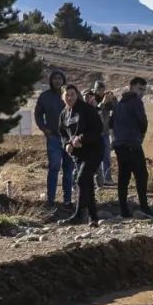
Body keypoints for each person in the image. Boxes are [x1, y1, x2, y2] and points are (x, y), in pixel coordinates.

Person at [57, 84, 103, 227]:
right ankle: (93, 218)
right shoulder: (64, 114)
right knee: (87, 184)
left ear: (77, 95)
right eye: (67, 95)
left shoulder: (86, 110)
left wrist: (81, 138)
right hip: (78, 154)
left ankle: (78, 214)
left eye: (72, 94)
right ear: (62, 97)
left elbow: (97, 128)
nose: (70, 97)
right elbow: (62, 133)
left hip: (94, 150)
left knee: (82, 179)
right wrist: (66, 144)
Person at [33, 68, 74, 209]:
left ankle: (67, 200)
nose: (57, 81)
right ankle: (51, 199)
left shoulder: (70, 95)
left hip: (69, 138)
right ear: (51, 81)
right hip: (54, 137)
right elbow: (38, 114)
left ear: (64, 80)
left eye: (60, 78)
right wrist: (44, 129)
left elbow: (80, 111)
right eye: (55, 78)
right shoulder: (45, 96)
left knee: (69, 169)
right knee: (54, 167)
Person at [111, 76, 151, 218]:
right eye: (140, 89)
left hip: (119, 145)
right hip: (132, 144)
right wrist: (140, 136)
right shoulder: (136, 102)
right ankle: (144, 207)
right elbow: (143, 122)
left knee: (123, 178)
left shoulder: (119, 103)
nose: (142, 92)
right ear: (132, 86)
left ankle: (123, 210)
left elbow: (111, 123)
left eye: (144, 90)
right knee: (141, 176)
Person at [94, 81, 115, 187]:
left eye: (102, 89)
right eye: (99, 89)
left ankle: (107, 178)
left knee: (106, 156)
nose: (101, 92)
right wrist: (103, 102)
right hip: (95, 134)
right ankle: (97, 180)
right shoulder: (92, 98)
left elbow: (116, 109)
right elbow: (96, 111)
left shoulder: (107, 100)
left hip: (105, 132)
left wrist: (112, 99)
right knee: (96, 157)